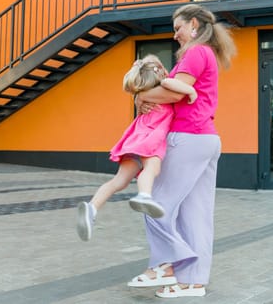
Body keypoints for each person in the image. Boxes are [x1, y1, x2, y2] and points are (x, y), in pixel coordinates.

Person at [127, 3, 236, 298]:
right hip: (206, 139)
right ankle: (193, 282)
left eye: (178, 28)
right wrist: (145, 98)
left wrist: (139, 94)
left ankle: (166, 264)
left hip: (187, 138)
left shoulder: (196, 52)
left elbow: (176, 91)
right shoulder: (206, 54)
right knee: (195, 214)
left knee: (155, 202)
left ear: (194, 26)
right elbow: (176, 92)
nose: (175, 35)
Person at [76, 54, 197, 242]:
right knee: (151, 169)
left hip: (134, 139)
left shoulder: (145, 96)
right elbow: (176, 89)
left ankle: (92, 208)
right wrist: (191, 91)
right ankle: (144, 196)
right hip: (150, 140)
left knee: (119, 181)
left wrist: (138, 97)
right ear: (160, 71)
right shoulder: (164, 86)